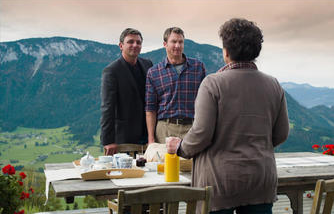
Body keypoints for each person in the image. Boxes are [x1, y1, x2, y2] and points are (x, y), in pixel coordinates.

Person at [166, 18, 289, 214]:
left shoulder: (212, 84)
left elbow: (201, 134)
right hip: (260, 179)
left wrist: (180, 147)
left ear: (226, 51)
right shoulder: (273, 85)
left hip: (219, 183)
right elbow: (281, 133)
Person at [145, 27, 206, 145]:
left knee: (192, 164)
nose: (177, 45)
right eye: (173, 42)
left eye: (180, 42)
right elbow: (150, 109)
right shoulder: (154, 72)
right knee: (165, 163)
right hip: (165, 129)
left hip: (192, 128)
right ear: (165, 44)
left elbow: (205, 102)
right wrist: (151, 140)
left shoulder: (198, 67)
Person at [100, 28, 153, 155]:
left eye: (138, 42)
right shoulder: (111, 71)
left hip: (148, 134)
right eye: (130, 42)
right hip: (124, 137)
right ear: (121, 45)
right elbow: (108, 107)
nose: (135, 45)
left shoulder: (148, 64)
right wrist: (108, 140)